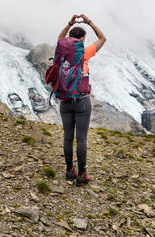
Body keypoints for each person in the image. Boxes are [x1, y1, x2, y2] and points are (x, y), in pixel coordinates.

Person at [58, 14, 106, 186]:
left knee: (68, 137)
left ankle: (69, 170)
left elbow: (60, 38)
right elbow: (102, 38)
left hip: (64, 100)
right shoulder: (84, 52)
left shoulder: (61, 51)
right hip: (81, 101)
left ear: (69, 38)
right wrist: (89, 21)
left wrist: (70, 22)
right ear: (82, 39)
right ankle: (82, 174)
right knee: (82, 139)